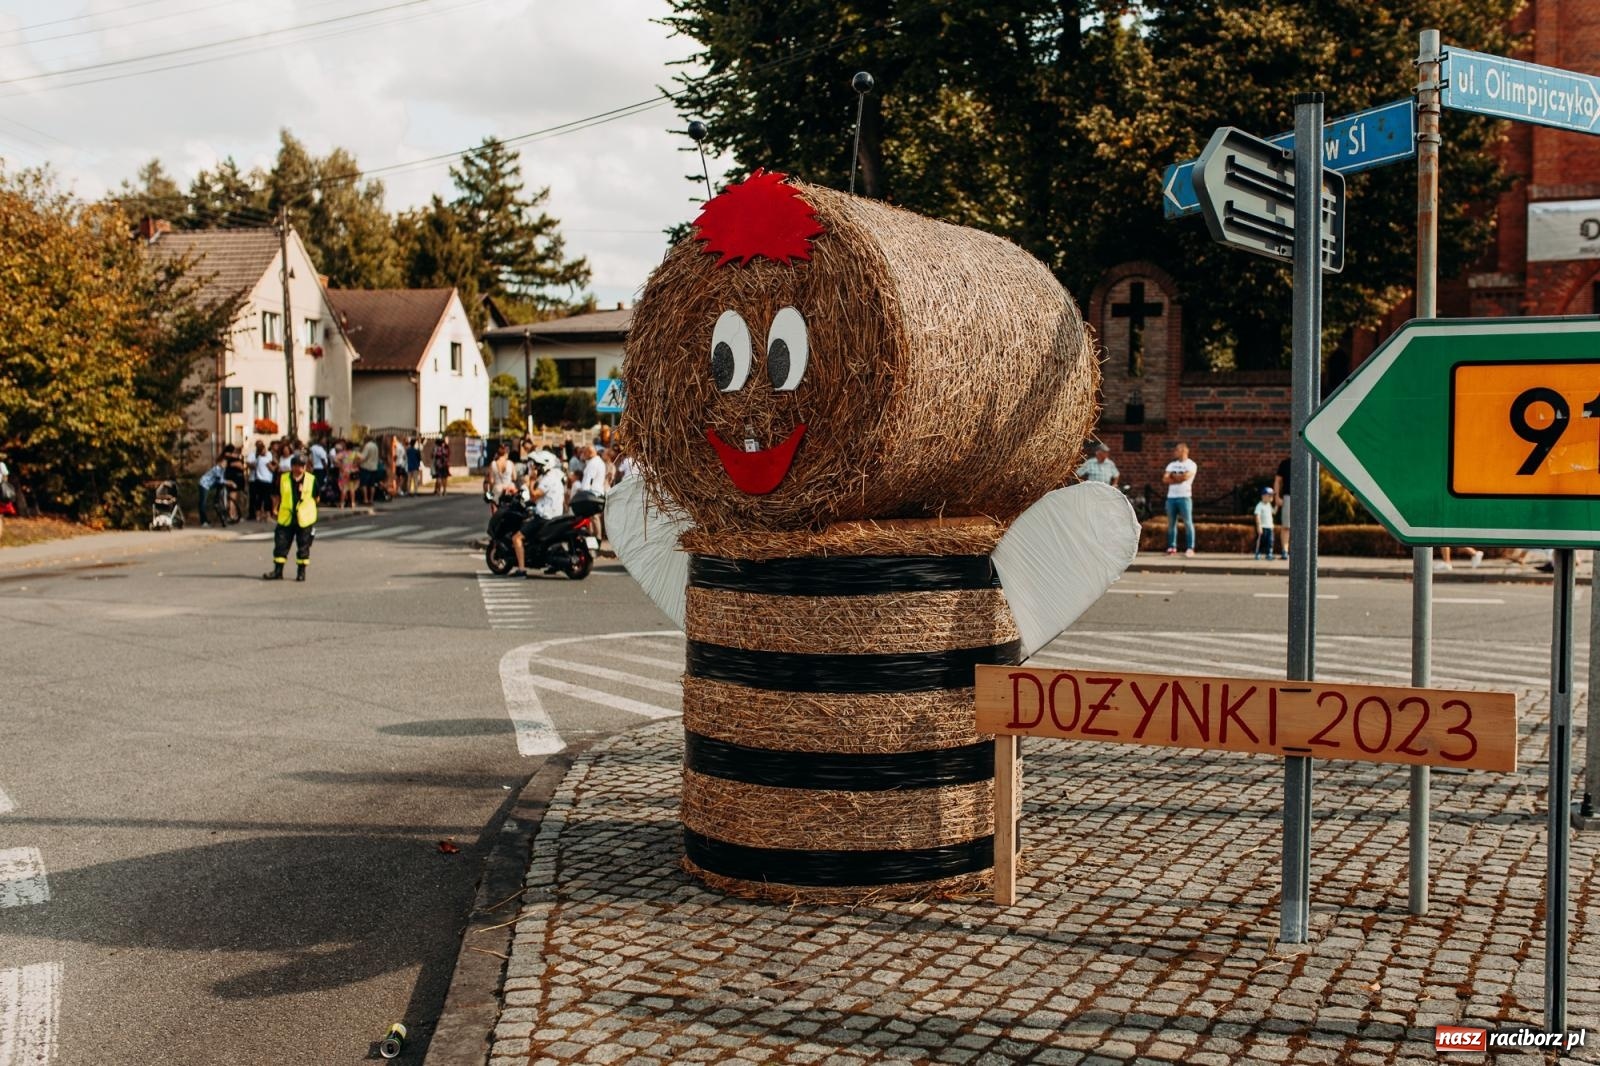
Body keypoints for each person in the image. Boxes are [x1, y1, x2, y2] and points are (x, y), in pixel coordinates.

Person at [511, 450, 566, 578]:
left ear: (544, 466)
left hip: (544, 517)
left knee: (517, 538)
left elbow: (534, 496)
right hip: (555, 515)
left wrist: (531, 480)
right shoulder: (556, 476)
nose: (534, 467)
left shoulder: (547, 479)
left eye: (537, 465)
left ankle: (521, 569)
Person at [263, 455, 317, 582]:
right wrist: (274, 510)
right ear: (292, 466)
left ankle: (301, 572)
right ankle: (278, 571)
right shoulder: (283, 478)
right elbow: (276, 495)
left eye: (302, 466)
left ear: (305, 467)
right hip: (286, 517)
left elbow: (316, 497)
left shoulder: (311, 480)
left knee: (303, 546)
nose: (299, 469)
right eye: (296, 466)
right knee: (280, 544)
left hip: (304, 519)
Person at [1163, 442, 1198, 557]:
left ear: (1183, 451)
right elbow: (1165, 479)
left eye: (1177, 450)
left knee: (1188, 522)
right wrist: (1178, 478)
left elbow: (1186, 477)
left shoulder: (1191, 464)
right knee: (1171, 523)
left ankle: (1190, 548)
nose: (1175, 452)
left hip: (1185, 497)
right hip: (1171, 497)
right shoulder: (1171, 465)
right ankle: (1172, 547)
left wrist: (1173, 476)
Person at [483, 443, 518, 515]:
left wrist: (491, 492)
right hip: (509, 489)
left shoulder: (493, 464)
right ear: (506, 453)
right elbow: (514, 477)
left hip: (497, 489)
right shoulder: (510, 463)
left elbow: (491, 481)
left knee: (496, 511)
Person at [249, 440, 275, 521]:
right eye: (264, 450)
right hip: (266, 481)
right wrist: (276, 464)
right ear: (261, 451)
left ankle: (258, 515)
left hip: (258, 480)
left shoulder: (258, 459)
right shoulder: (265, 459)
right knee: (267, 498)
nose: (266, 451)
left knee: (259, 498)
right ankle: (268, 516)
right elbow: (272, 469)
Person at [198, 458, 228, 527]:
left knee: (221, 485)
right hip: (204, 484)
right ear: (219, 463)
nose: (225, 465)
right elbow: (220, 480)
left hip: (210, 485)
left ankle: (217, 499)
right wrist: (229, 482)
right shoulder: (216, 469)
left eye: (226, 463)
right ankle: (203, 521)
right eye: (223, 463)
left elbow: (222, 480)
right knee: (203, 503)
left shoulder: (222, 470)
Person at [1271, 457, 1291, 560]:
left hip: (1303, 497)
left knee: (1302, 526)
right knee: (1286, 526)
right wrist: (1276, 496)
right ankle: (1285, 550)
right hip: (1288, 496)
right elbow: (1277, 480)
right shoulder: (1285, 463)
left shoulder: (1307, 461)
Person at [1253, 487, 1277, 560]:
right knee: (1261, 541)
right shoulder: (1259, 505)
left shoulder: (1269, 505)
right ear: (1263, 496)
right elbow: (1257, 516)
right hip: (1263, 526)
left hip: (1269, 527)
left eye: (1272, 495)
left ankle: (1269, 553)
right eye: (1269, 495)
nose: (1271, 497)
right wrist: (1259, 526)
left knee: (1270, 541)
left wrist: (1277, 505)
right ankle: (1258, 552)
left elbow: (1274, 512)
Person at [358, 435, 381, 504]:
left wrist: (358, 456)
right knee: (372, 485)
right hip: (374, 467)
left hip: (366, 467)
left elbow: (363, 457)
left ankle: (365, 499)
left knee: (364, 484)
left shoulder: (367, 446)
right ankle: (371, 499)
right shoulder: (375, 446)